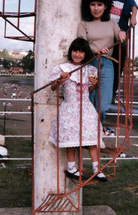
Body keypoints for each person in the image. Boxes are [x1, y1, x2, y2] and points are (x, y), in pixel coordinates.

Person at [48, 38, 107, 182]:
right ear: (71, 52)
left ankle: (96, 169)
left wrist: (94, 84)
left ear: (85, 54)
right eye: (75, 51)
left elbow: (89, 89)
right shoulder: (63, 68)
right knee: (71, 140)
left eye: (81, 52)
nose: (78, 54)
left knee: (92, 139)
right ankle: (72, 168)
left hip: (86, 108)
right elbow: (53, 87)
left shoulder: (90, 69)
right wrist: (60, 80)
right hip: (70, 108)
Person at [77, 0, 126, 124]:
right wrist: (95, 50)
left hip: (108, 64)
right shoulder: (83, 24)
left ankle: (96, 133)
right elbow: (81, 44)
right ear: (88, 6)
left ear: (105, 7)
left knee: (103, 107)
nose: (96, 8)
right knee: (89, 104)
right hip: (90, 63)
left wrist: (122, 32)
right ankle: (92, 138)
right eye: (92, 4)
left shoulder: (112, 23)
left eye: (99, 5)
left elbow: (119, 37)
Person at [111, 0, 138, 101]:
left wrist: (133, 17)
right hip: (107, 36)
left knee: (118, 67)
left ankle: (112, 93)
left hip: (120, 38)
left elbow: (134, 7)